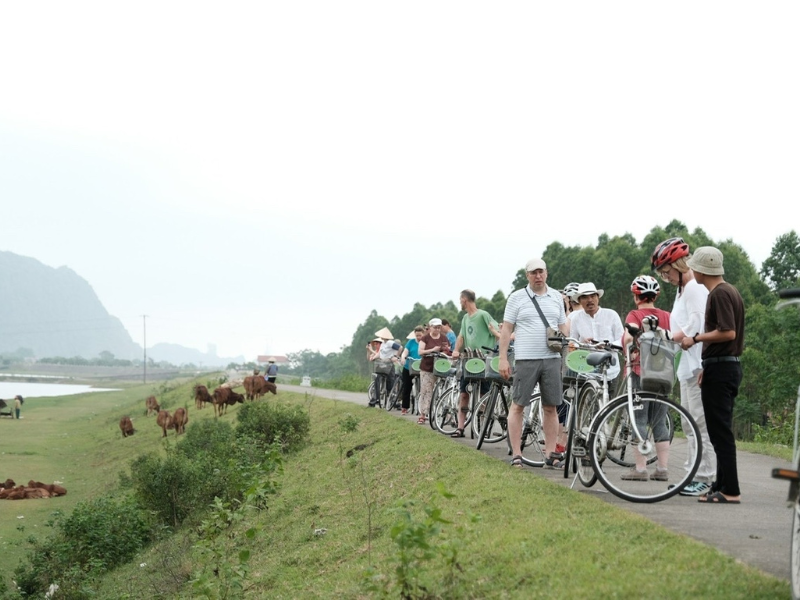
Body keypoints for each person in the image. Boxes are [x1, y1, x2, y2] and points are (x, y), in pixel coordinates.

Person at [652, 237, 716, 497]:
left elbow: (696, 326)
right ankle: (693, 472)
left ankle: (706, 476)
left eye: (667, 271)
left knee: (700, 423)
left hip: (698, 364)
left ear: (679, 264)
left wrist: (666, 337)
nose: (665, 277)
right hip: (686, 366)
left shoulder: (694, 289)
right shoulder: (682, 290)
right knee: (689, 424)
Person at [680, 246, 744, 504]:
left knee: (721, 433)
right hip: (720, 366)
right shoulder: (730, 291)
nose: (691, 270)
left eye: (693, 266)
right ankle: (720, 484)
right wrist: (707, 366)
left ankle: (731, 490)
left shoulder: (718, 294)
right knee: (718, 431)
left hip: (723, 368)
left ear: (701, 269)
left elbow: (728, 332)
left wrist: (694, 338)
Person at [499, 259, 568, 468]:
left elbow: (563, 327)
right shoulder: (517, 298)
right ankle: (517, 454)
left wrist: (567, 346)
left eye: (541, 272)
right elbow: (506, 329)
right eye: (533, 273)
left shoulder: (556, 297)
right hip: (526, 358)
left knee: (551, 407)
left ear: (546, 273)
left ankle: (550, 453)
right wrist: (503, 358)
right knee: (518, 405)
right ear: (527, 275)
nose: (538, 276)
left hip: (552, 359)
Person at [619, 275, 673, 482]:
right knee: (660, 422)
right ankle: (662, 468)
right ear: (656, 295)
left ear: (636, 296)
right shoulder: (667, 316)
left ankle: (640, 469)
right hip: (664, 374)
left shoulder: (634, 314)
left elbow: (627, 338)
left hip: (640, 371)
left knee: (639, 419)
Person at [450, 289, 500, 437]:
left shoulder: (483, 315)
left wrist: (493, 350)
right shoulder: (465, 318)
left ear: (464, 299)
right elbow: (461, 336)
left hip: (484, 359)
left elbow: (497, 331)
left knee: (484, 395)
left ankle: (482, 428)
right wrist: (456, 350)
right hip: (469, 359)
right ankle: (460, 427)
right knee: (464, 394)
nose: (460, 302)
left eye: (460, 299)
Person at [569, 282, 624, 387]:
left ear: (598, 298)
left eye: (592, 296)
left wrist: (607, 345)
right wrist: (581, 344)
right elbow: (572, 343)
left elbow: (621, 339)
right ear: (580, 301)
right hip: (586, 370)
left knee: (611, 401)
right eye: (585, 297)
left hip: (611, 370)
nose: (590, 300)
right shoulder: (576, 318)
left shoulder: (611, 315)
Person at [418, 318, 452, 424]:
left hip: (441, 366)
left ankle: (446, 413)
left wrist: (445, 350)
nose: (437, 329)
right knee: (426, 390)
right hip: (427, 367)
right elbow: (420, 351)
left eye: (438, 327)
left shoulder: (444, 337)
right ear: (430, 327)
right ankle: (423, 414)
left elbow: (448, 349)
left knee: (444, 388)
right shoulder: (425, 338)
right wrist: (432, 350)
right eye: (435, 327)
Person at [370, 328, 402, 407]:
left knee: (391, 382)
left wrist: (396, 356)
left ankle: (392, 400)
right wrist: (373, 358)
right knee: (377, 379)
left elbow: (400, 348)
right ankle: (375, 400)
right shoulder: (383, 344)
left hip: (389, 365)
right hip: (381, 364)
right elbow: (380, 354)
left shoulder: (390, 343)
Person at [398, 327, 424, 415]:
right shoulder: (411, 342)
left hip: (421, 367)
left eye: (420, 335)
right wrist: (403, 357)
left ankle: (422, 408)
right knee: (406, 386)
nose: (419, 337)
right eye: (417, 335)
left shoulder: (425, 343)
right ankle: (405, 407)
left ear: (423, 334)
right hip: (409, 366)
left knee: (423, 388)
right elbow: (405, 352)